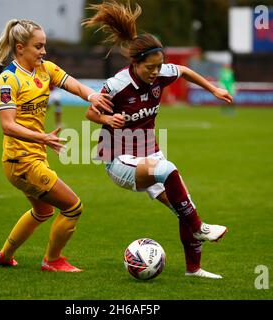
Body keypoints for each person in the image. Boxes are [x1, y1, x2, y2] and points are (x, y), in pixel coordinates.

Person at [83, 1, 233, 279]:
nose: (156, 73)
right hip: (118, 160)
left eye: (159, 67)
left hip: (149, 152)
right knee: (168, 170)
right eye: (150, 68)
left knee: (184, 207)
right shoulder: (117, 85)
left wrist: (214, 89)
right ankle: (200, 228)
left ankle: (194, 269)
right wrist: (105, 119)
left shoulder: (161, 73)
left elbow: (185, 71)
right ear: (135, 63)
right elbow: (91, 111)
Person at [0, 19, 113, 272]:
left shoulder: (46, 69)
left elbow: (73, 84)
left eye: (44, 46)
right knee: (73, 206)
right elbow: (7, 125)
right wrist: (43, 137)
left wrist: (93, 95)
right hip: (21, 161)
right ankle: (52, 261)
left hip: (32, 158)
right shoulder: (8, 80)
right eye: (38, 46)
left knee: (43, 211)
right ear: (20, 48)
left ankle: (4, 256)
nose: (43, 51)